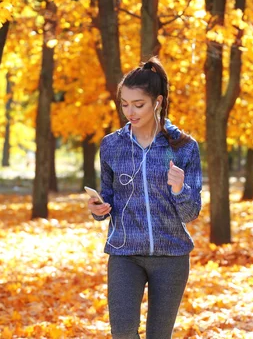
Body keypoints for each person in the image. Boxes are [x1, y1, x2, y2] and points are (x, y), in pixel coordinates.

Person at [87, 56, 202, 339]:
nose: (130, 112)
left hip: (171, 255)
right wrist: (98, 208)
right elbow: (108, 198)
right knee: (124, 333)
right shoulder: (112, 145)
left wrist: (180, 190)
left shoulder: (184, 147)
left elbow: (192, 212)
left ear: (157, 101)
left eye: (138, 104)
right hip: (125, 253)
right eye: (124, 104)